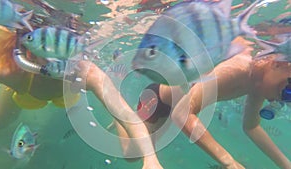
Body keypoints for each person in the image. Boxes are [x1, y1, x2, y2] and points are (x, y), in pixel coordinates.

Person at [0, 25, 163, 169]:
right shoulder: (13, 71)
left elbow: (125, 113)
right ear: (31, 52)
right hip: (26, 91)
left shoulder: (84, 71)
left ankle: (117, 96)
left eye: (65, 54)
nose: (57, 60)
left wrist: (151, 159)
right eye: (47, 52)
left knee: (130, 150)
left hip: (66, 96)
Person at [116, 36, 291, 169]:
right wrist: (228, 162)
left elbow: (251, 127)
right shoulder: (240, 69)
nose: (285, 98)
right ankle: (119, 109)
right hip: (157, 101)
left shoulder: (258, 85)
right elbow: (182, 114)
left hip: (177, 108)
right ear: (277, 64)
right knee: (132, 154)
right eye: (289, 88)